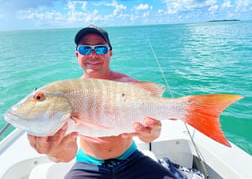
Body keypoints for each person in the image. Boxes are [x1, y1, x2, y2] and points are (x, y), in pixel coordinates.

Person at [27, 24, 177, 179]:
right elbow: (67, 155)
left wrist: (151, 133)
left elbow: (148, 137)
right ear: (77, 54)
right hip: (88, 165)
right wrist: (54, 151)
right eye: (85, 49)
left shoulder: (128, 85)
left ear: (110, 53)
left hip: (132, 158)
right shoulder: (70, 95)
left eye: (100, 48)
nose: (93, 54)